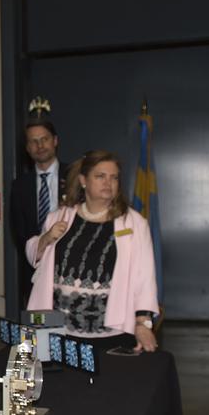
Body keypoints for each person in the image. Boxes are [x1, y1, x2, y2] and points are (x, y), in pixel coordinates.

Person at [24, 150, 159, 353]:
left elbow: (145, 277)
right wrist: (47, 238)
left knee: (107, 374)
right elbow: (33, 255)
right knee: (32, 371)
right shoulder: (60, 216)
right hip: (52, 324)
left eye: (114, 177)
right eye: (100, 176)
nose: (108, 183)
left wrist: (143, 323)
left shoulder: (134, 223)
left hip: (109, 330)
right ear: (83, 180)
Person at [9, 118, 64, 305]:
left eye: (44, 139)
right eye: (33, 141)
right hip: (34, 271)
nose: (40, 146)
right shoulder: (19, 186)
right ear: (27, 147)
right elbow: (19, 233)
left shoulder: (74, 176)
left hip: (70, 269)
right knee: (39, 321)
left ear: (55, 140)